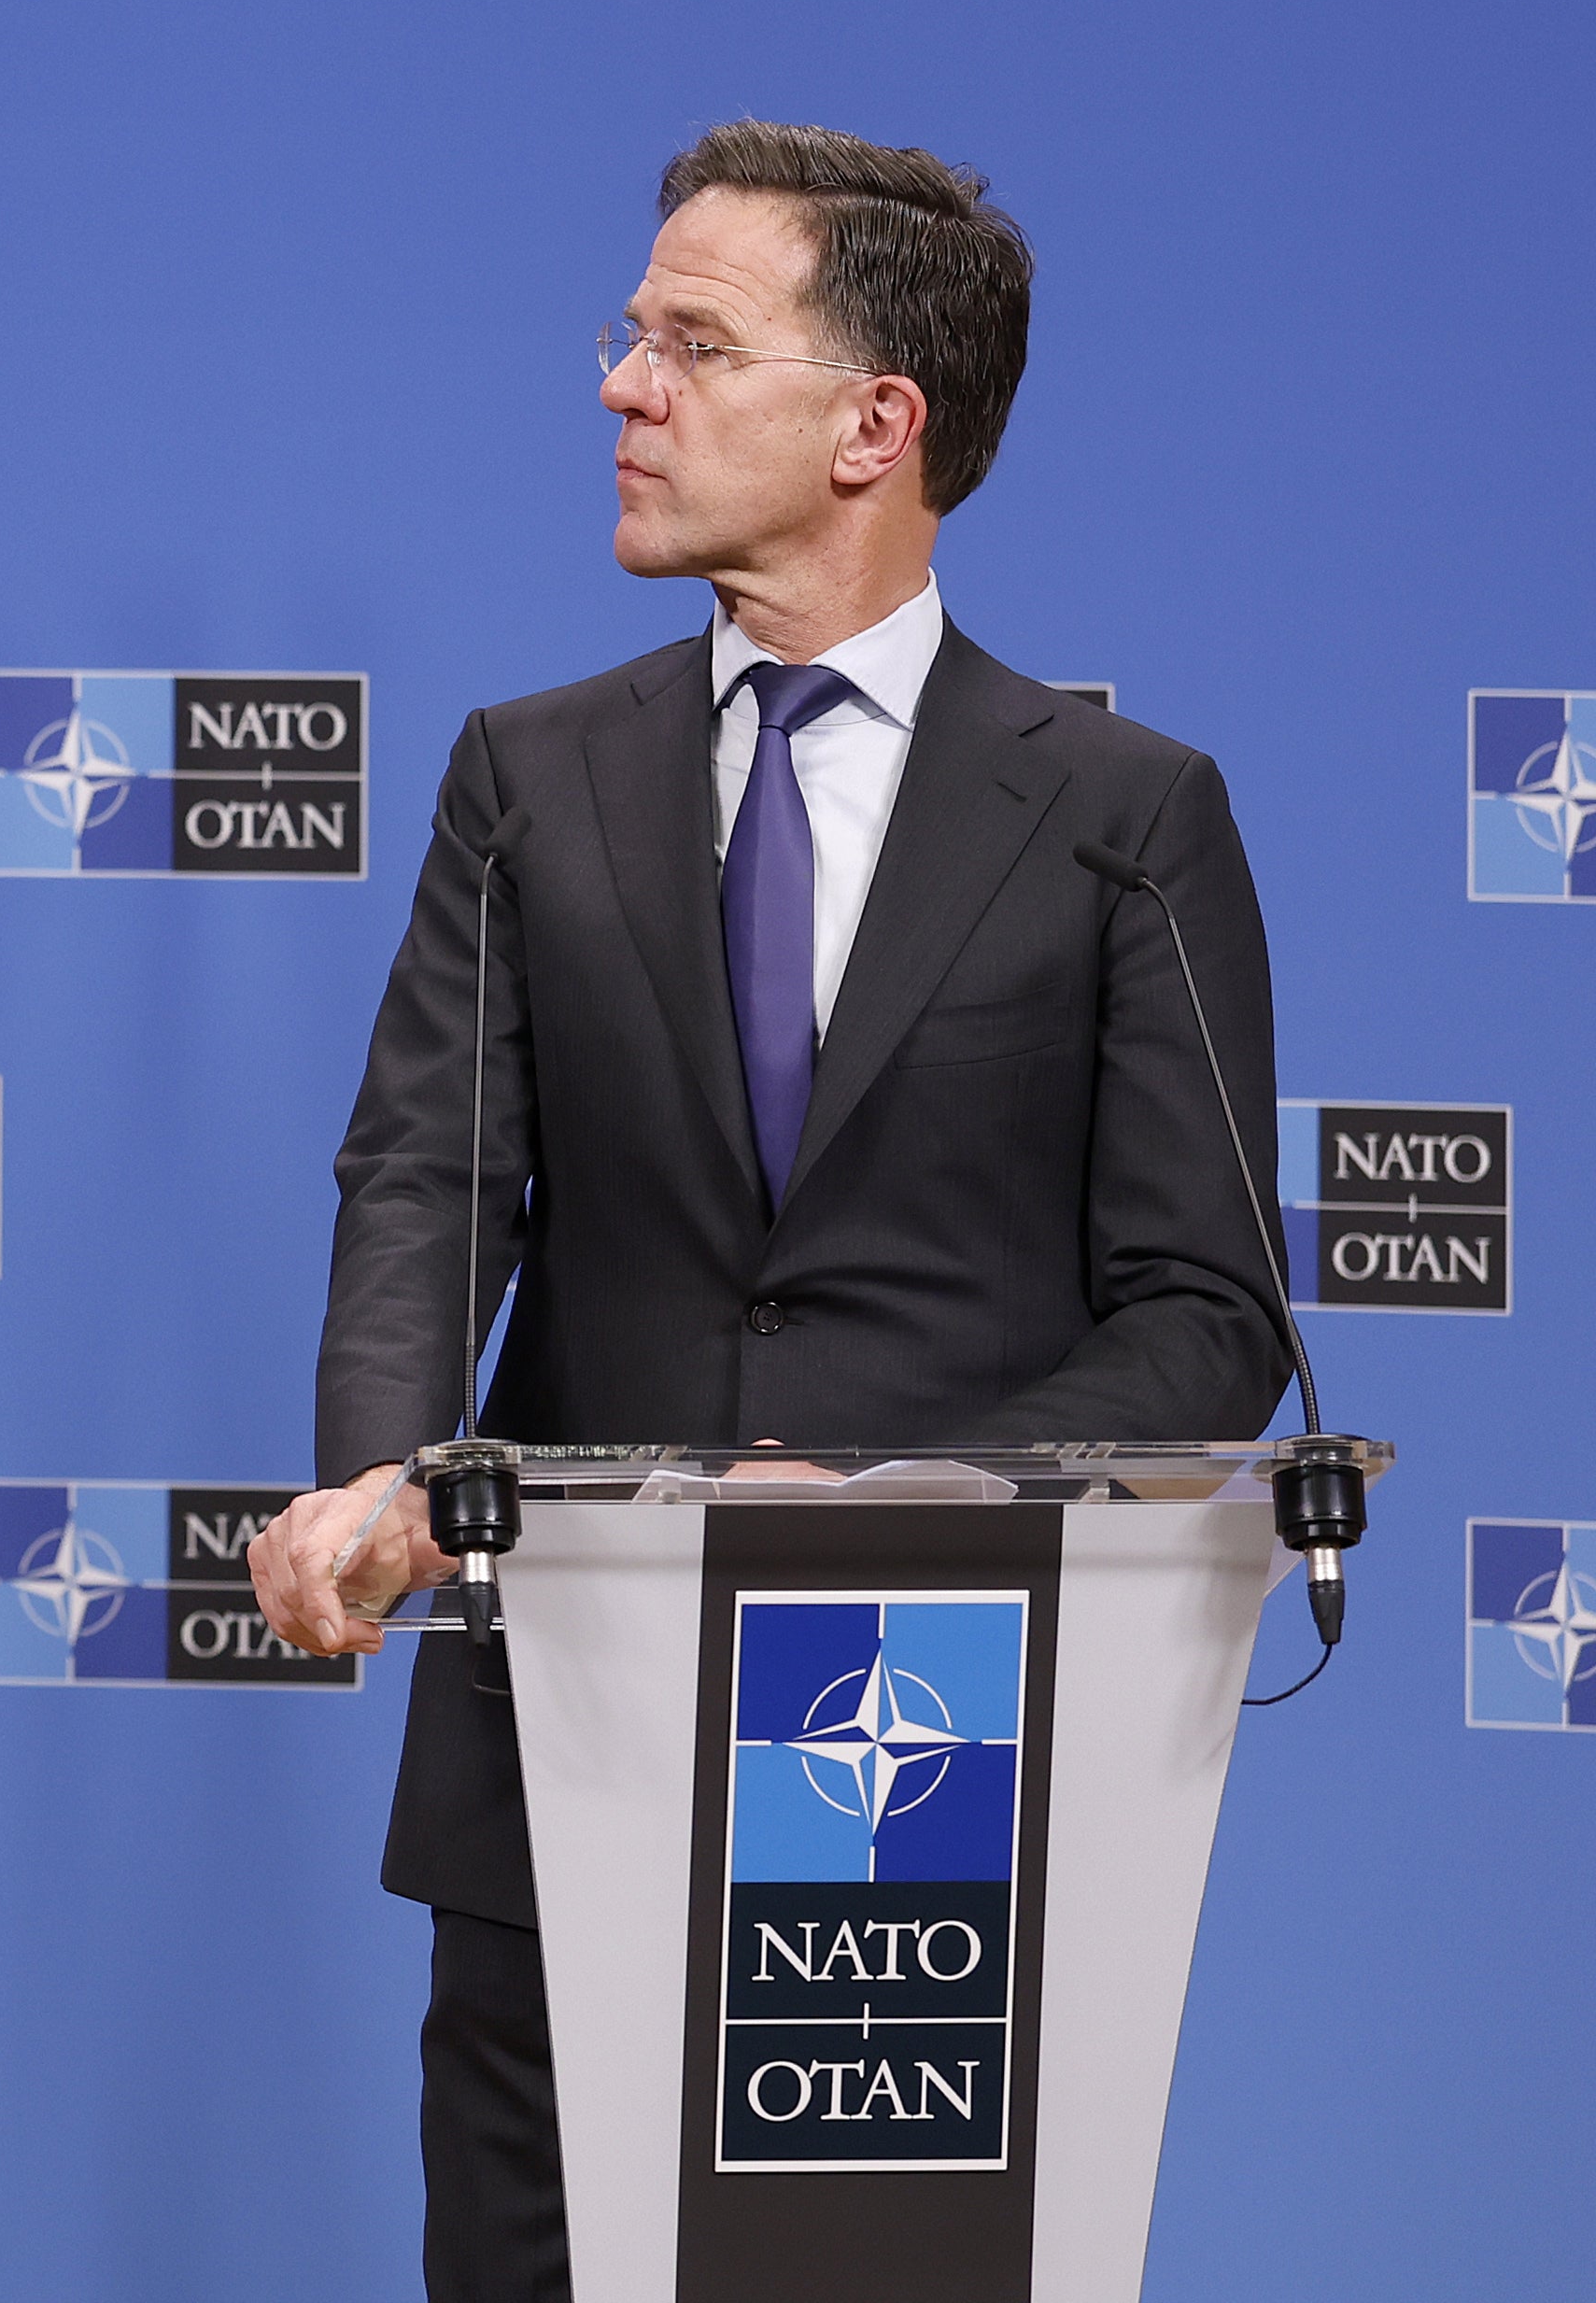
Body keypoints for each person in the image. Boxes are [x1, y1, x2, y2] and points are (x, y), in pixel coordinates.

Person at [244, 126, 1289, 2303]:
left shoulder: (1123, 821)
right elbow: (434, 1169)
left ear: (872, 428)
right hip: (567, 1748)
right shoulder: (527, 775)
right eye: (631, 336)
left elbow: (1205, 1311)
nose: (623, 387)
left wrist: (891, 1509)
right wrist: (374, 1460)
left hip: (927, 1765)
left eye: (690, 344)